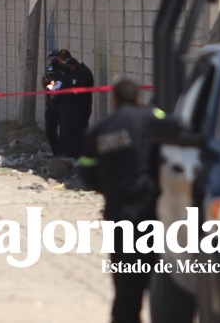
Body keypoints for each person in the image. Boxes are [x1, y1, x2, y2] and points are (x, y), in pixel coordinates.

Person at [78, 79, 160, 323]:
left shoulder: (100, 129)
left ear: (113, 101)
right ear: (139, 99)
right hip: (152, 210)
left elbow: (86, 171)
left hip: (118, 211)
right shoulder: (152, 120)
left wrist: (107, 189)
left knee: (125, 281)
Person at [59, 55, 95, 158]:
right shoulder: (74, 73)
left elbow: (81, 92)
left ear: (72, 66)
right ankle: (72, 153)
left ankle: (78, 153)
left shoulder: (83, 73)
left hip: (79, 109)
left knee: (78, 131)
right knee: (71, 132)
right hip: (72, 109)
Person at [41, 49, 73, 157]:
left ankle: (63, 152)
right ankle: (57, 151)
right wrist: (48, 86)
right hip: (52, 103)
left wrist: (49, 86)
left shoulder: (68, 69)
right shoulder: (50, 69)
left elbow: (62, 83)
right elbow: (52, 82)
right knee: (50, 130)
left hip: (64, 103)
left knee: (64, 130)